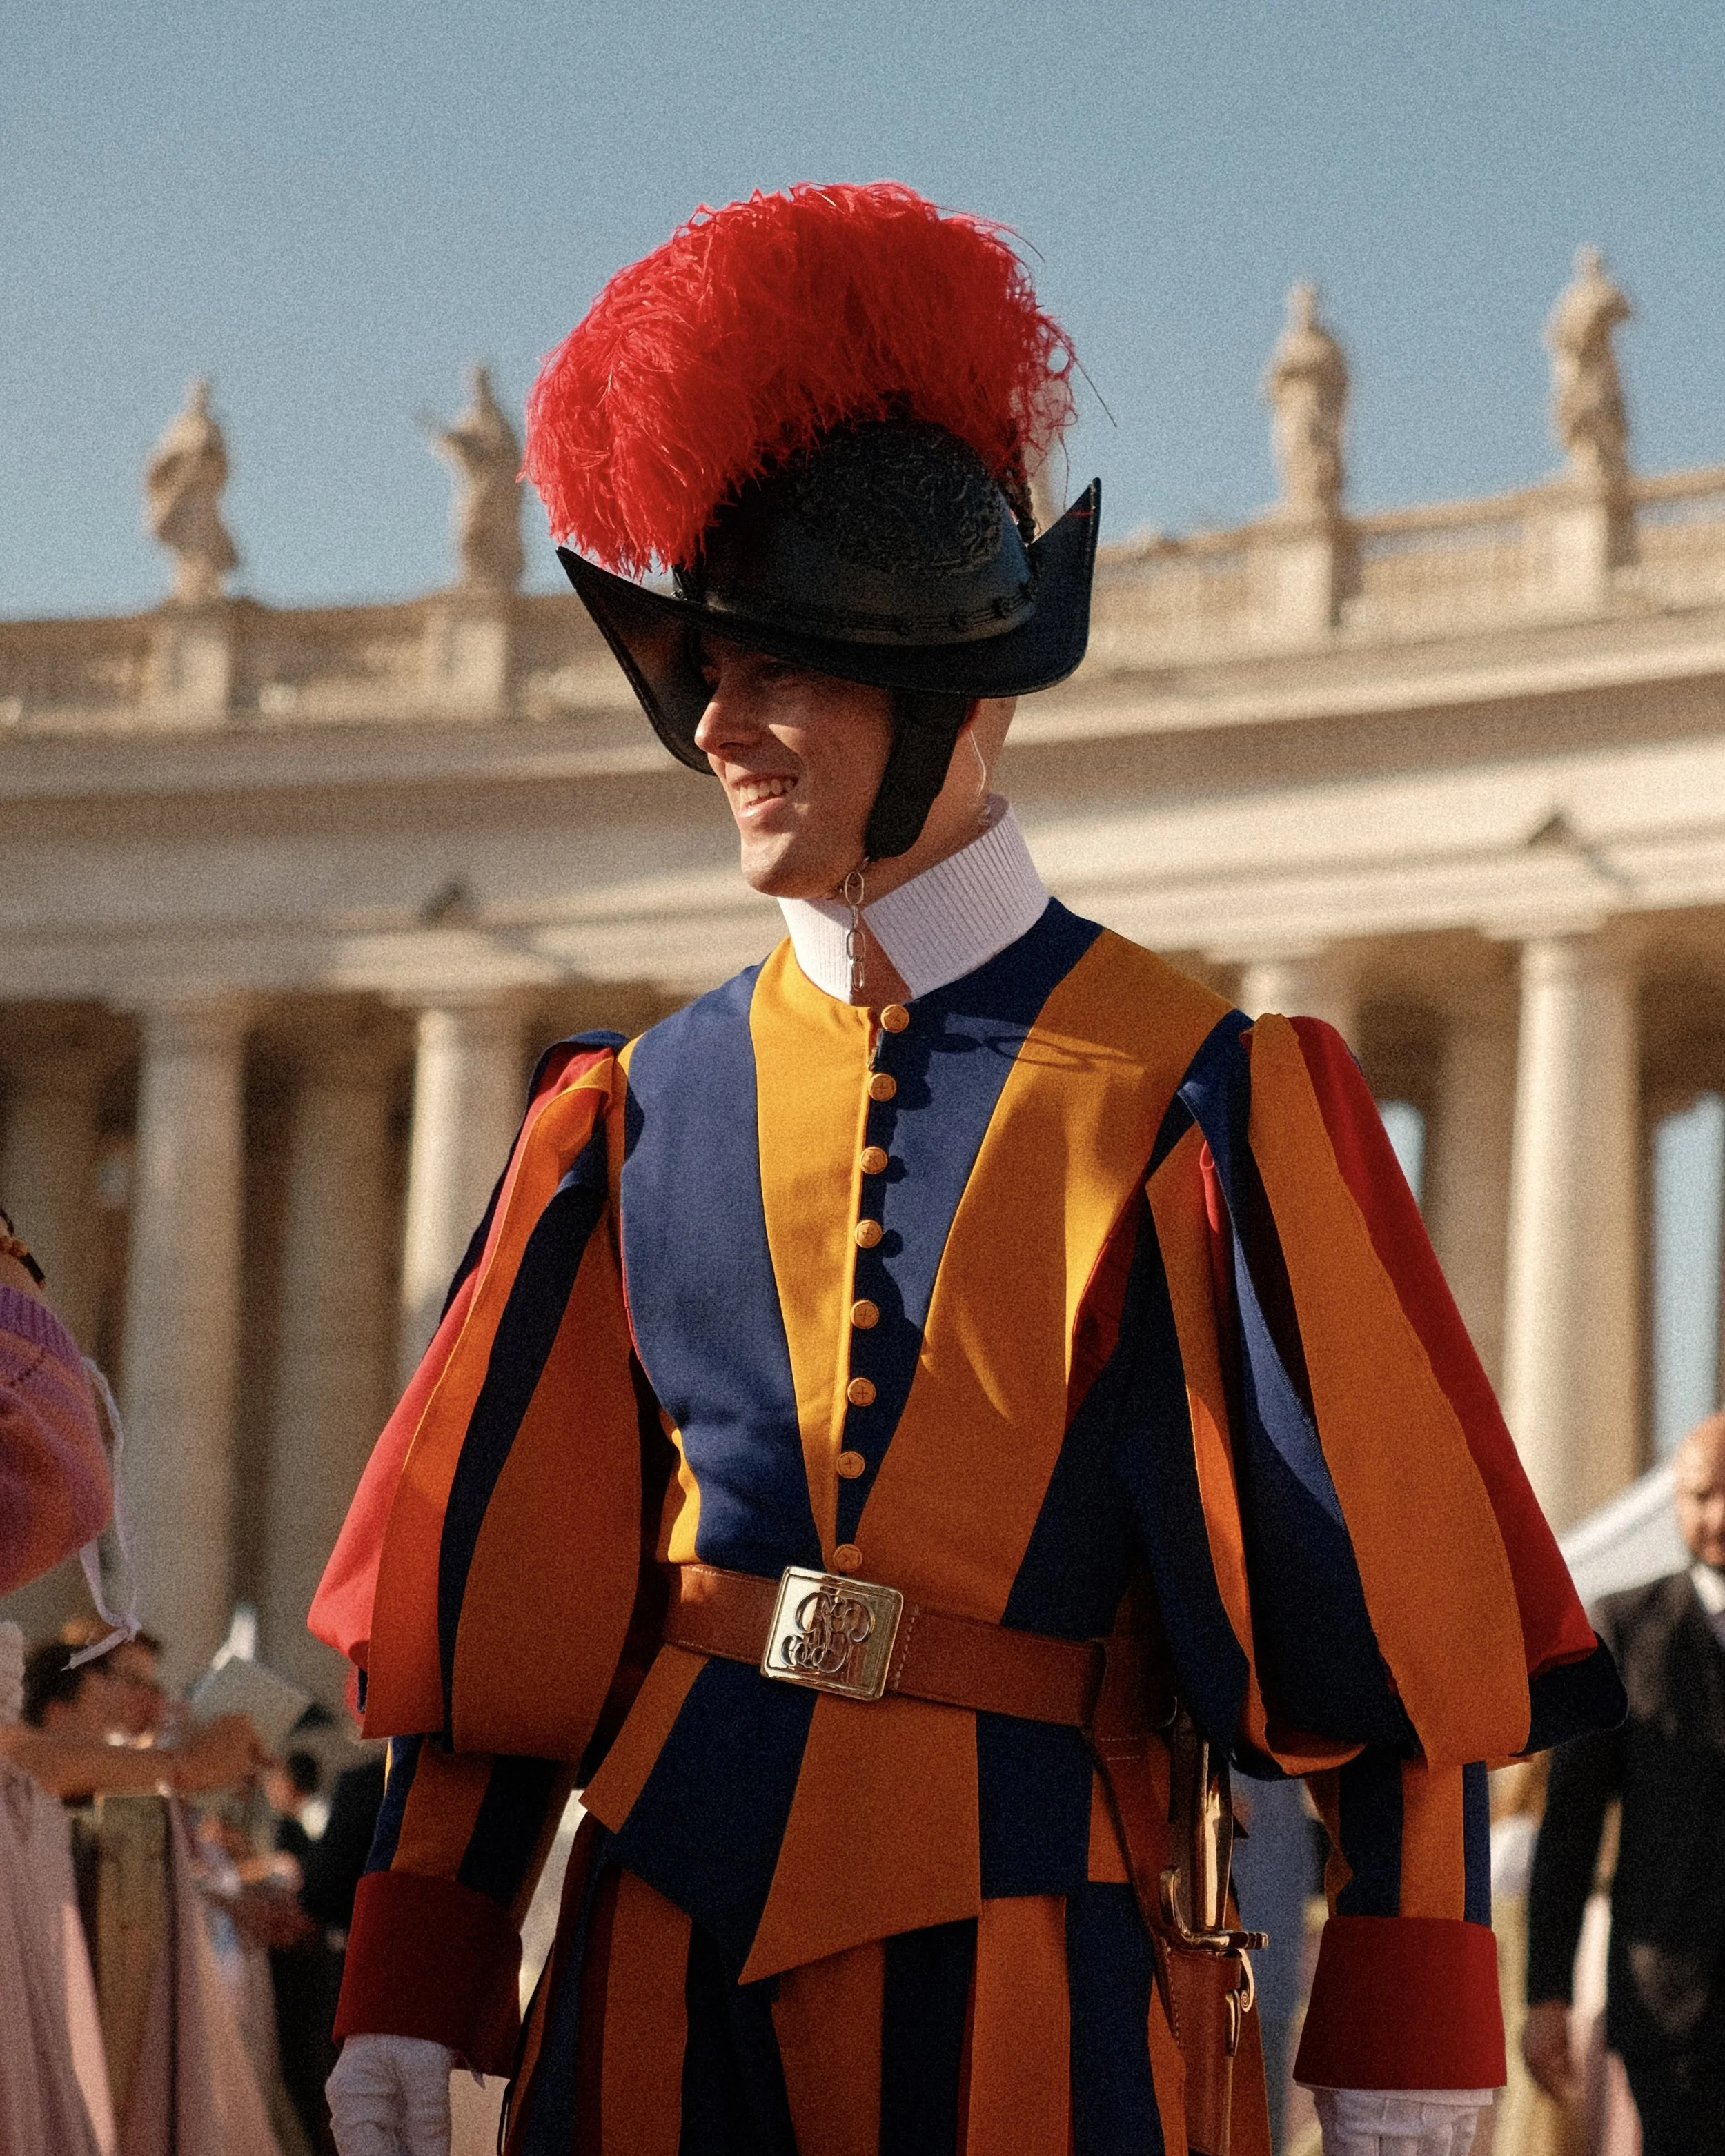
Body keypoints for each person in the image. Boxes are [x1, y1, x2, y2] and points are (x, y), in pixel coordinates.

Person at [311, 183, 1624, 2156]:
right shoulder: (625, 1108)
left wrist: (1405, 2007)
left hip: (1045, 1960)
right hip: (652, 1957)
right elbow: (518, 1594)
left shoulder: (1204, 1094)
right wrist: (422, 1952)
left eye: (782, 672)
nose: (719, 725)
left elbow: (1384, 1616)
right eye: (700, 677)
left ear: (954, 694)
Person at [1523, 1410, 1725, 2154]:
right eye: (1700, 1495)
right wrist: (1547, 1993)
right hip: (1667, 2006)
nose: (1716, 1515)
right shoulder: (1622, 1626)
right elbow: (1568, 1825)